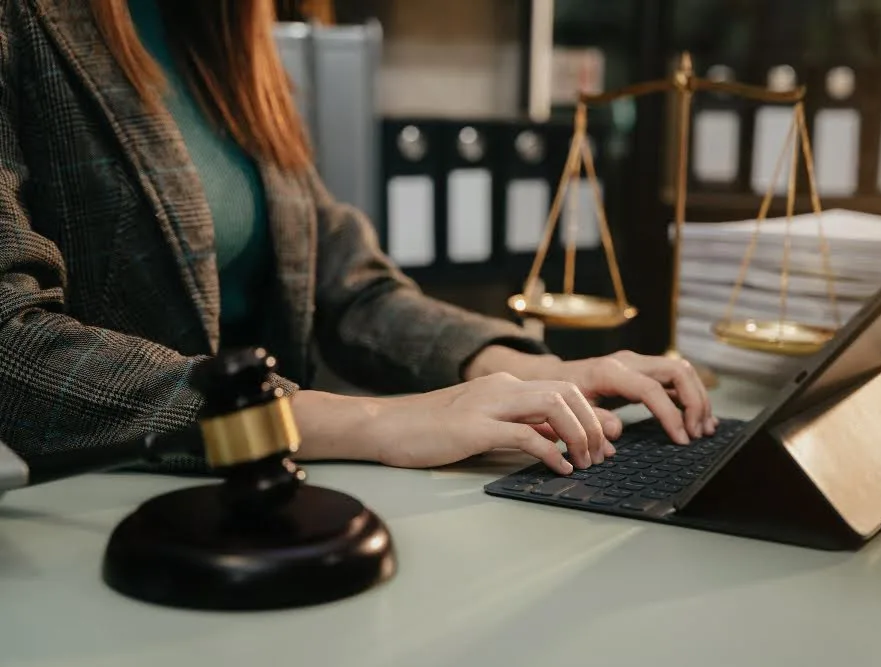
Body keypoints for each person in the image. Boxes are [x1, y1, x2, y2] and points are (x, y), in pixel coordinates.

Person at [0, 0, 715, 477]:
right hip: (108, 513)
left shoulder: (224, 33)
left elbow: (347, 287)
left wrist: (534, 369)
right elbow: (13, 344)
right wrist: (375, 422)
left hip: (260, 497)